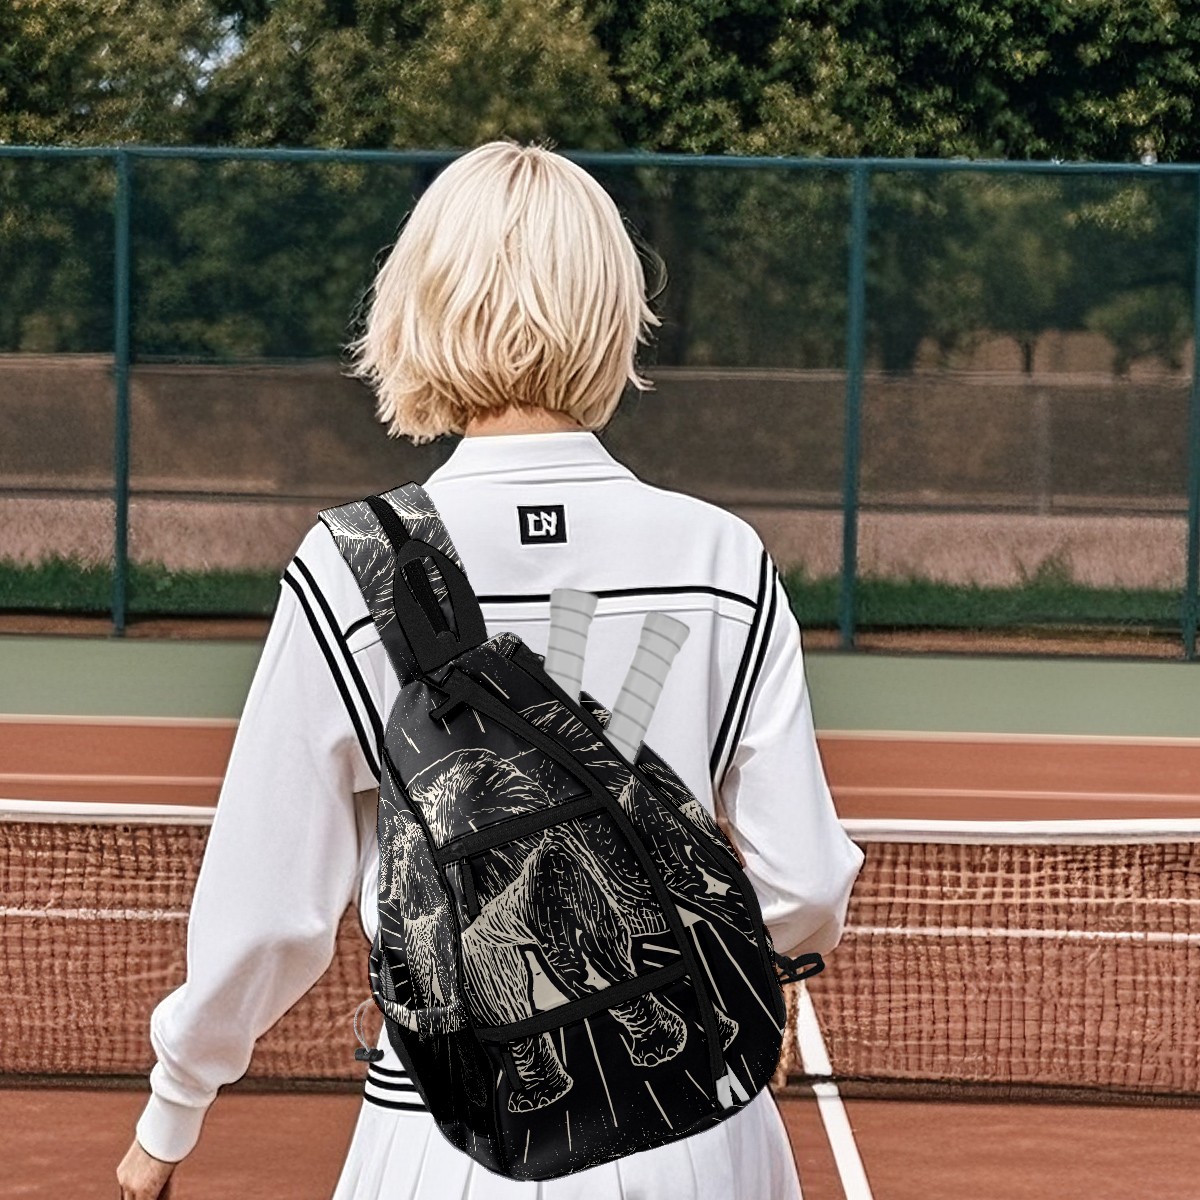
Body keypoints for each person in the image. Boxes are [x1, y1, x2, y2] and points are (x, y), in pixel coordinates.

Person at [118, 138, 864, 1200]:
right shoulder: (722, 557)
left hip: (447, 1129)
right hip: (694, 1118)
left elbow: (269, 913)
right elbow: (808, 885)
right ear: (614, 311)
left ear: (422, 306)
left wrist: (172, 1112)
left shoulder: (350, 565)